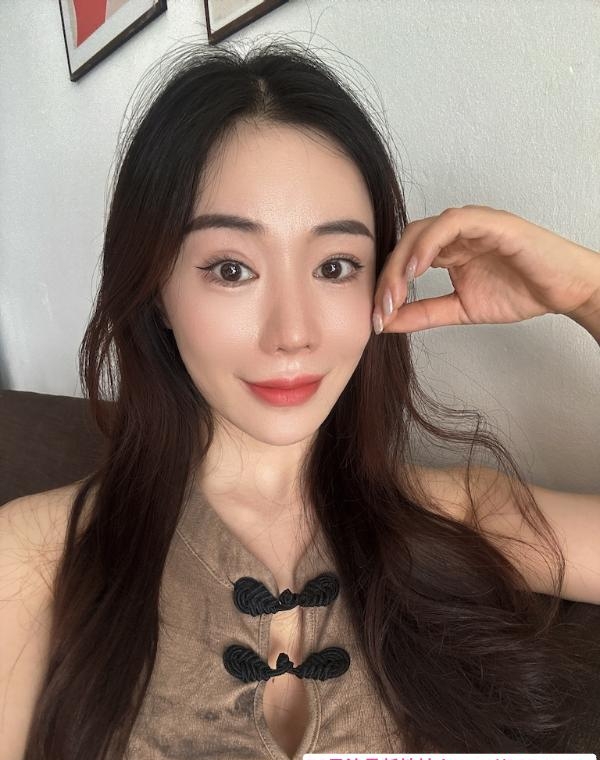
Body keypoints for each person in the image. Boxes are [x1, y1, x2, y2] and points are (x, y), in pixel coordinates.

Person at [2, 39, 600, 760]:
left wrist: (587, 292)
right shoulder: (32, 554)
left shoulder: (465, 514)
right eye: (231, 269)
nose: (293, 333)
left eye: (335, 266)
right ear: (157, 289)